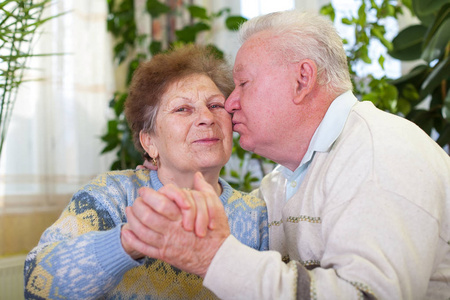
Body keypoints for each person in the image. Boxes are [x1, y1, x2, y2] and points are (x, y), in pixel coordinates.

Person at [122, 10, 450, 299]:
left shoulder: (380, 154)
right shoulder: (280, 182)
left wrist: (213, 257)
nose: (230, 103)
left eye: (244, 83)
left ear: (302, 79)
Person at [23, 45, 269, 299]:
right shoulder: (111, 195)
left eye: (216, 105)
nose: (206, 118)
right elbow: (38, 283)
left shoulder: (256, 214)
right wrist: (131, 240)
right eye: (182, 109)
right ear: (149, 141)